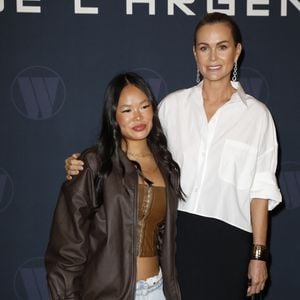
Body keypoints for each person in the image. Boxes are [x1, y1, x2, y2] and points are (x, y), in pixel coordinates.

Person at [64, 13, 282, 300]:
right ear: (194, 53)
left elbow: (260, 191)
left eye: (222, 46)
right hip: (174, 240)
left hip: (230, 244)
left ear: (237, 51)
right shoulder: (172, 106)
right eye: (204, 47)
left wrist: (259, 254)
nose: (213, 56)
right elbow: (135, 151)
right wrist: (85, 161)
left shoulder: (258, 116)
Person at [45, 72, 183, 300]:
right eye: (127, 110)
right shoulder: (94, 163)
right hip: (107, 293)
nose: (137, 117)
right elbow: (66, 248)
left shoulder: (166, 166)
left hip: (157, 291)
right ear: (114, 116)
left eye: (144, 106)